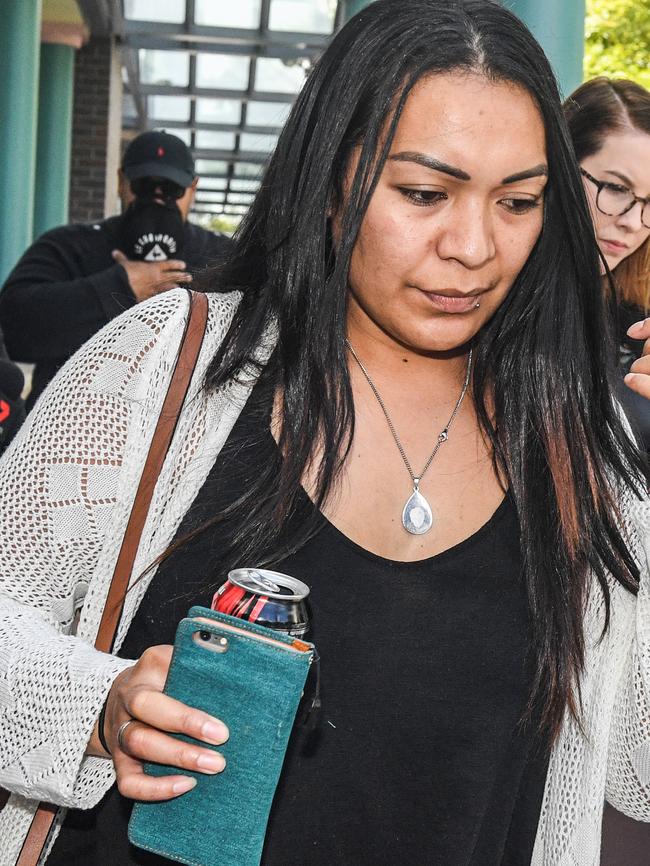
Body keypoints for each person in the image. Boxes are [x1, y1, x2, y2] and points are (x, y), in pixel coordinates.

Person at [0, 2, 649, 865]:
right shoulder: (168, 366)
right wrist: (98, 703)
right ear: (330, 176)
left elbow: (635, 765)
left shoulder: (582, 436)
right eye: (423, 192)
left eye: (519, 202)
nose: (473, 245)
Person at [0, 130, 231, 409]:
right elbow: (12, 328)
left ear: (192, 189)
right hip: (71, 429)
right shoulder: (70, 245)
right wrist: (119, 287)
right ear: (121, 182)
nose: (157, 199)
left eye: (172, 189)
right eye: (143, 186)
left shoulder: (222, 256)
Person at [564, 77, 650, 448]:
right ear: (563, 166)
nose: (633, 222)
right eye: (616, 188)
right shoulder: (480, 300)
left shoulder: (637, 311)